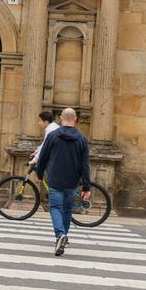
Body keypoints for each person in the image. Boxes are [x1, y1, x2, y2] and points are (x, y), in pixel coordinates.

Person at [33, 107, 91, 257]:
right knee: (67, 209)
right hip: (73, 180)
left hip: (55, 178)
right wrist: (86, 185)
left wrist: (39, 173)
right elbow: (85, 164)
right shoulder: (82, 139)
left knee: (55, 208)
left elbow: (44, 157)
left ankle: (60, 235)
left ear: (60, 118)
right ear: (75, 119)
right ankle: (63, 234)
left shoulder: (53, 136)